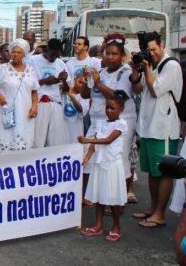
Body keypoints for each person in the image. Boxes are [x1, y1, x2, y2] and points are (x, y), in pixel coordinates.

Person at [130, 32, 183, 228]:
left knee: (164, 171)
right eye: (148, 50)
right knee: (153, 172)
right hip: (148, 127)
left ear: (161, 46)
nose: (151, 53)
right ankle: (153, 208)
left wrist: (146, 68)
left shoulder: (171, 66)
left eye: (153, 49)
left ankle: (160, 214)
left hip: (164, 128)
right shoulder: (150, 66)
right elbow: (138, 89)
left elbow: (155, 89)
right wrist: (136, 69)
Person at [81, 38, 137, 206]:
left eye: (115, 54)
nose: (110, 57)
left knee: (117, 161)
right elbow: (85, 95)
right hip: (97, 121)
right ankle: (90, 196)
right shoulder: (102, 72)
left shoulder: (125, 72)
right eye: (108, 53)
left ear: (122, 56)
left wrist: (98, 83)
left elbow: (119, 98)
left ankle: (118, 201)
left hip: (119, 122)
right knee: (88, 157)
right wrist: (87, 81)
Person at [78, 91, 129, 242]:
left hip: (112, 164)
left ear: (121, 109)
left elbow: (107, 140)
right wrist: (86, 158)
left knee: (112, 197)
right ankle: (98, 225)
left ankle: (116, 226)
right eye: (107, 107)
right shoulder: (101, 123)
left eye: (112, 108)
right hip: (99, 164)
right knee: (99, 196)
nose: (108, 110)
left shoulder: (121, 124)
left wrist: (87, 140)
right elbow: (95, 144)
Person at [0, 39, 39, 153]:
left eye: (19, 52)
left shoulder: (30, 69)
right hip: (6, 111)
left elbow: (34, 90)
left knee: (23, 143)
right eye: (13, 51)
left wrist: (34, 106)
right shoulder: (2, 69)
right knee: (5, 141)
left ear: (24, 54)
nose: (15, 54)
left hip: (25, 112)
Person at [30, 38, 70, 148]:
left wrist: (64, 80)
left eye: (56, 56)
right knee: (38, 140)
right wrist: (45, 81)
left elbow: (66, 90)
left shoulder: (60, 63)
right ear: (47, 49)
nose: (54, 58)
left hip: (56, 103)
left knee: (56, 140)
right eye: (52, 55)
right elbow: (26, 84)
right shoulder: (33, 60)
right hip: (39, 103)